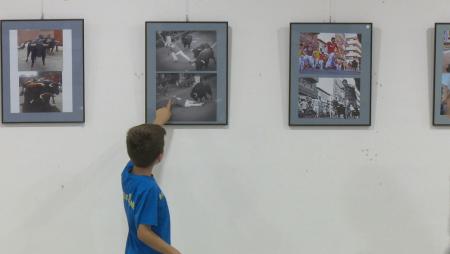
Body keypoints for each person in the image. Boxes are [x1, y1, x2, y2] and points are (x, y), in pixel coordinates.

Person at [122, 101, 182, 254]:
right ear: (160, 157)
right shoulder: (149, 190)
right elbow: (143, 232)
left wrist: (159, 122)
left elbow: (140, 145)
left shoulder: (128, 174)